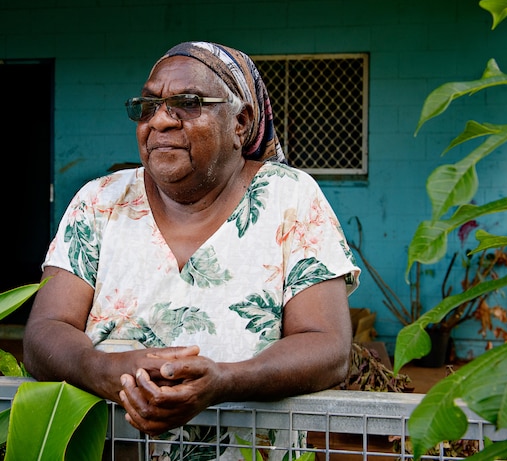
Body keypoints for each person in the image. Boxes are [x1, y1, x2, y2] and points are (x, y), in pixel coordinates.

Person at [23, 41, 361, 460]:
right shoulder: (100, 202)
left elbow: (328, 347)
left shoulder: (289, 199)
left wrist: (223, 381)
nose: (160, 121)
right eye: (148, 105)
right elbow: (44, 333)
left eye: (188, 103)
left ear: (240, 123)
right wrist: (104, 370)